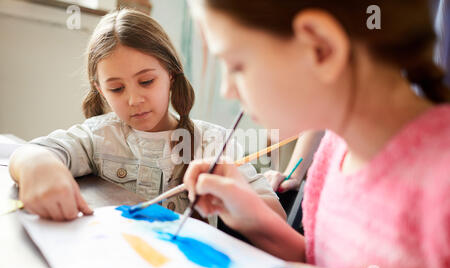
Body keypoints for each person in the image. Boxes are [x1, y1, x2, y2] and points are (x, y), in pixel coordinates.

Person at [184, 0, 450, 268]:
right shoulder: (333, 152)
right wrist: (254, 219)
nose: (227, 90)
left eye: (236, 66)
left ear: (321, 48)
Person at [8, 8, 284, 227]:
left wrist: (237, 197)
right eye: (116, 88)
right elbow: (32, 152)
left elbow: (276, 219)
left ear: (170, 75)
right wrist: (38, 166)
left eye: (147, 82)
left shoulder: (212, 143)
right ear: (100, 90)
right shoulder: (98, 137)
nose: (133, 99)